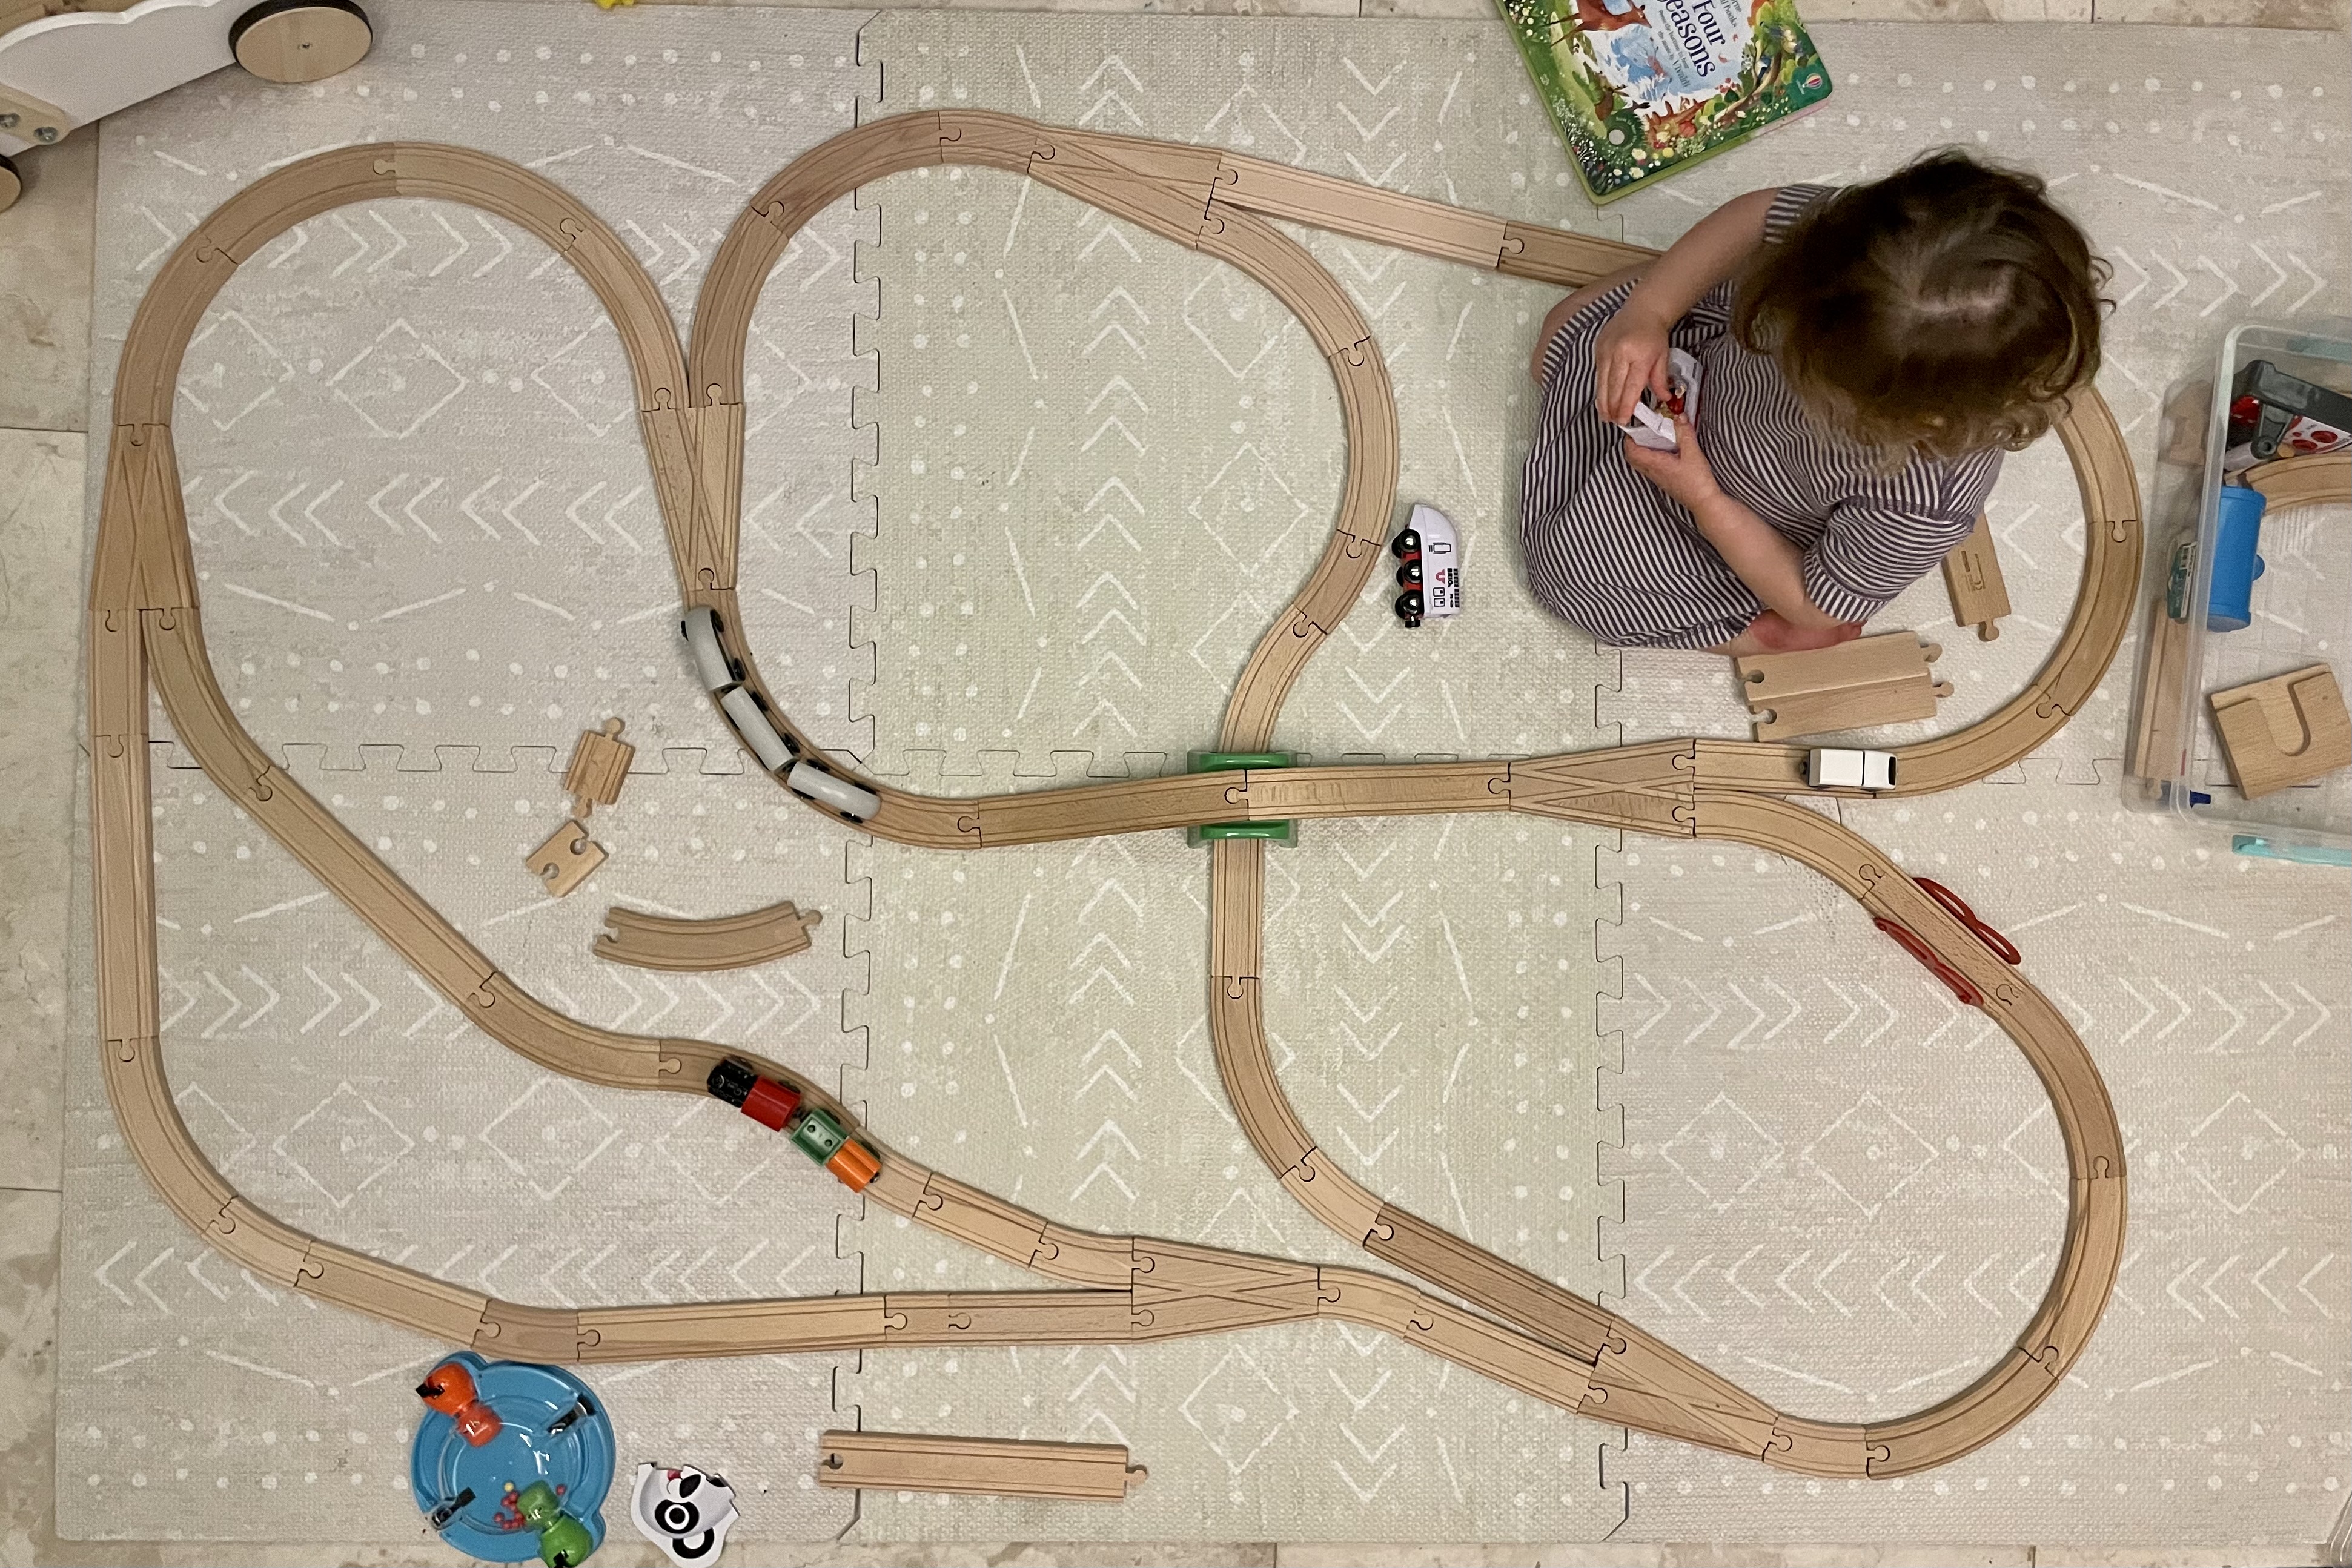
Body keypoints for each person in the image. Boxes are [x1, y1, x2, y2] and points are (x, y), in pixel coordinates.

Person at [1520, 151, 2108, 657]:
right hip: (1709, 368)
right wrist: (1649, 312)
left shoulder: (1921, 503)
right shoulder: (1876, 245)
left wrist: (1704, 500)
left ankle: (1754, 636)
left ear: (1914, 424)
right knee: (1561, 334)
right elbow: (1755, 216)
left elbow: (1816, 601)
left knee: (1568, 577)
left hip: (1735, 530)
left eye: (1814, 386)